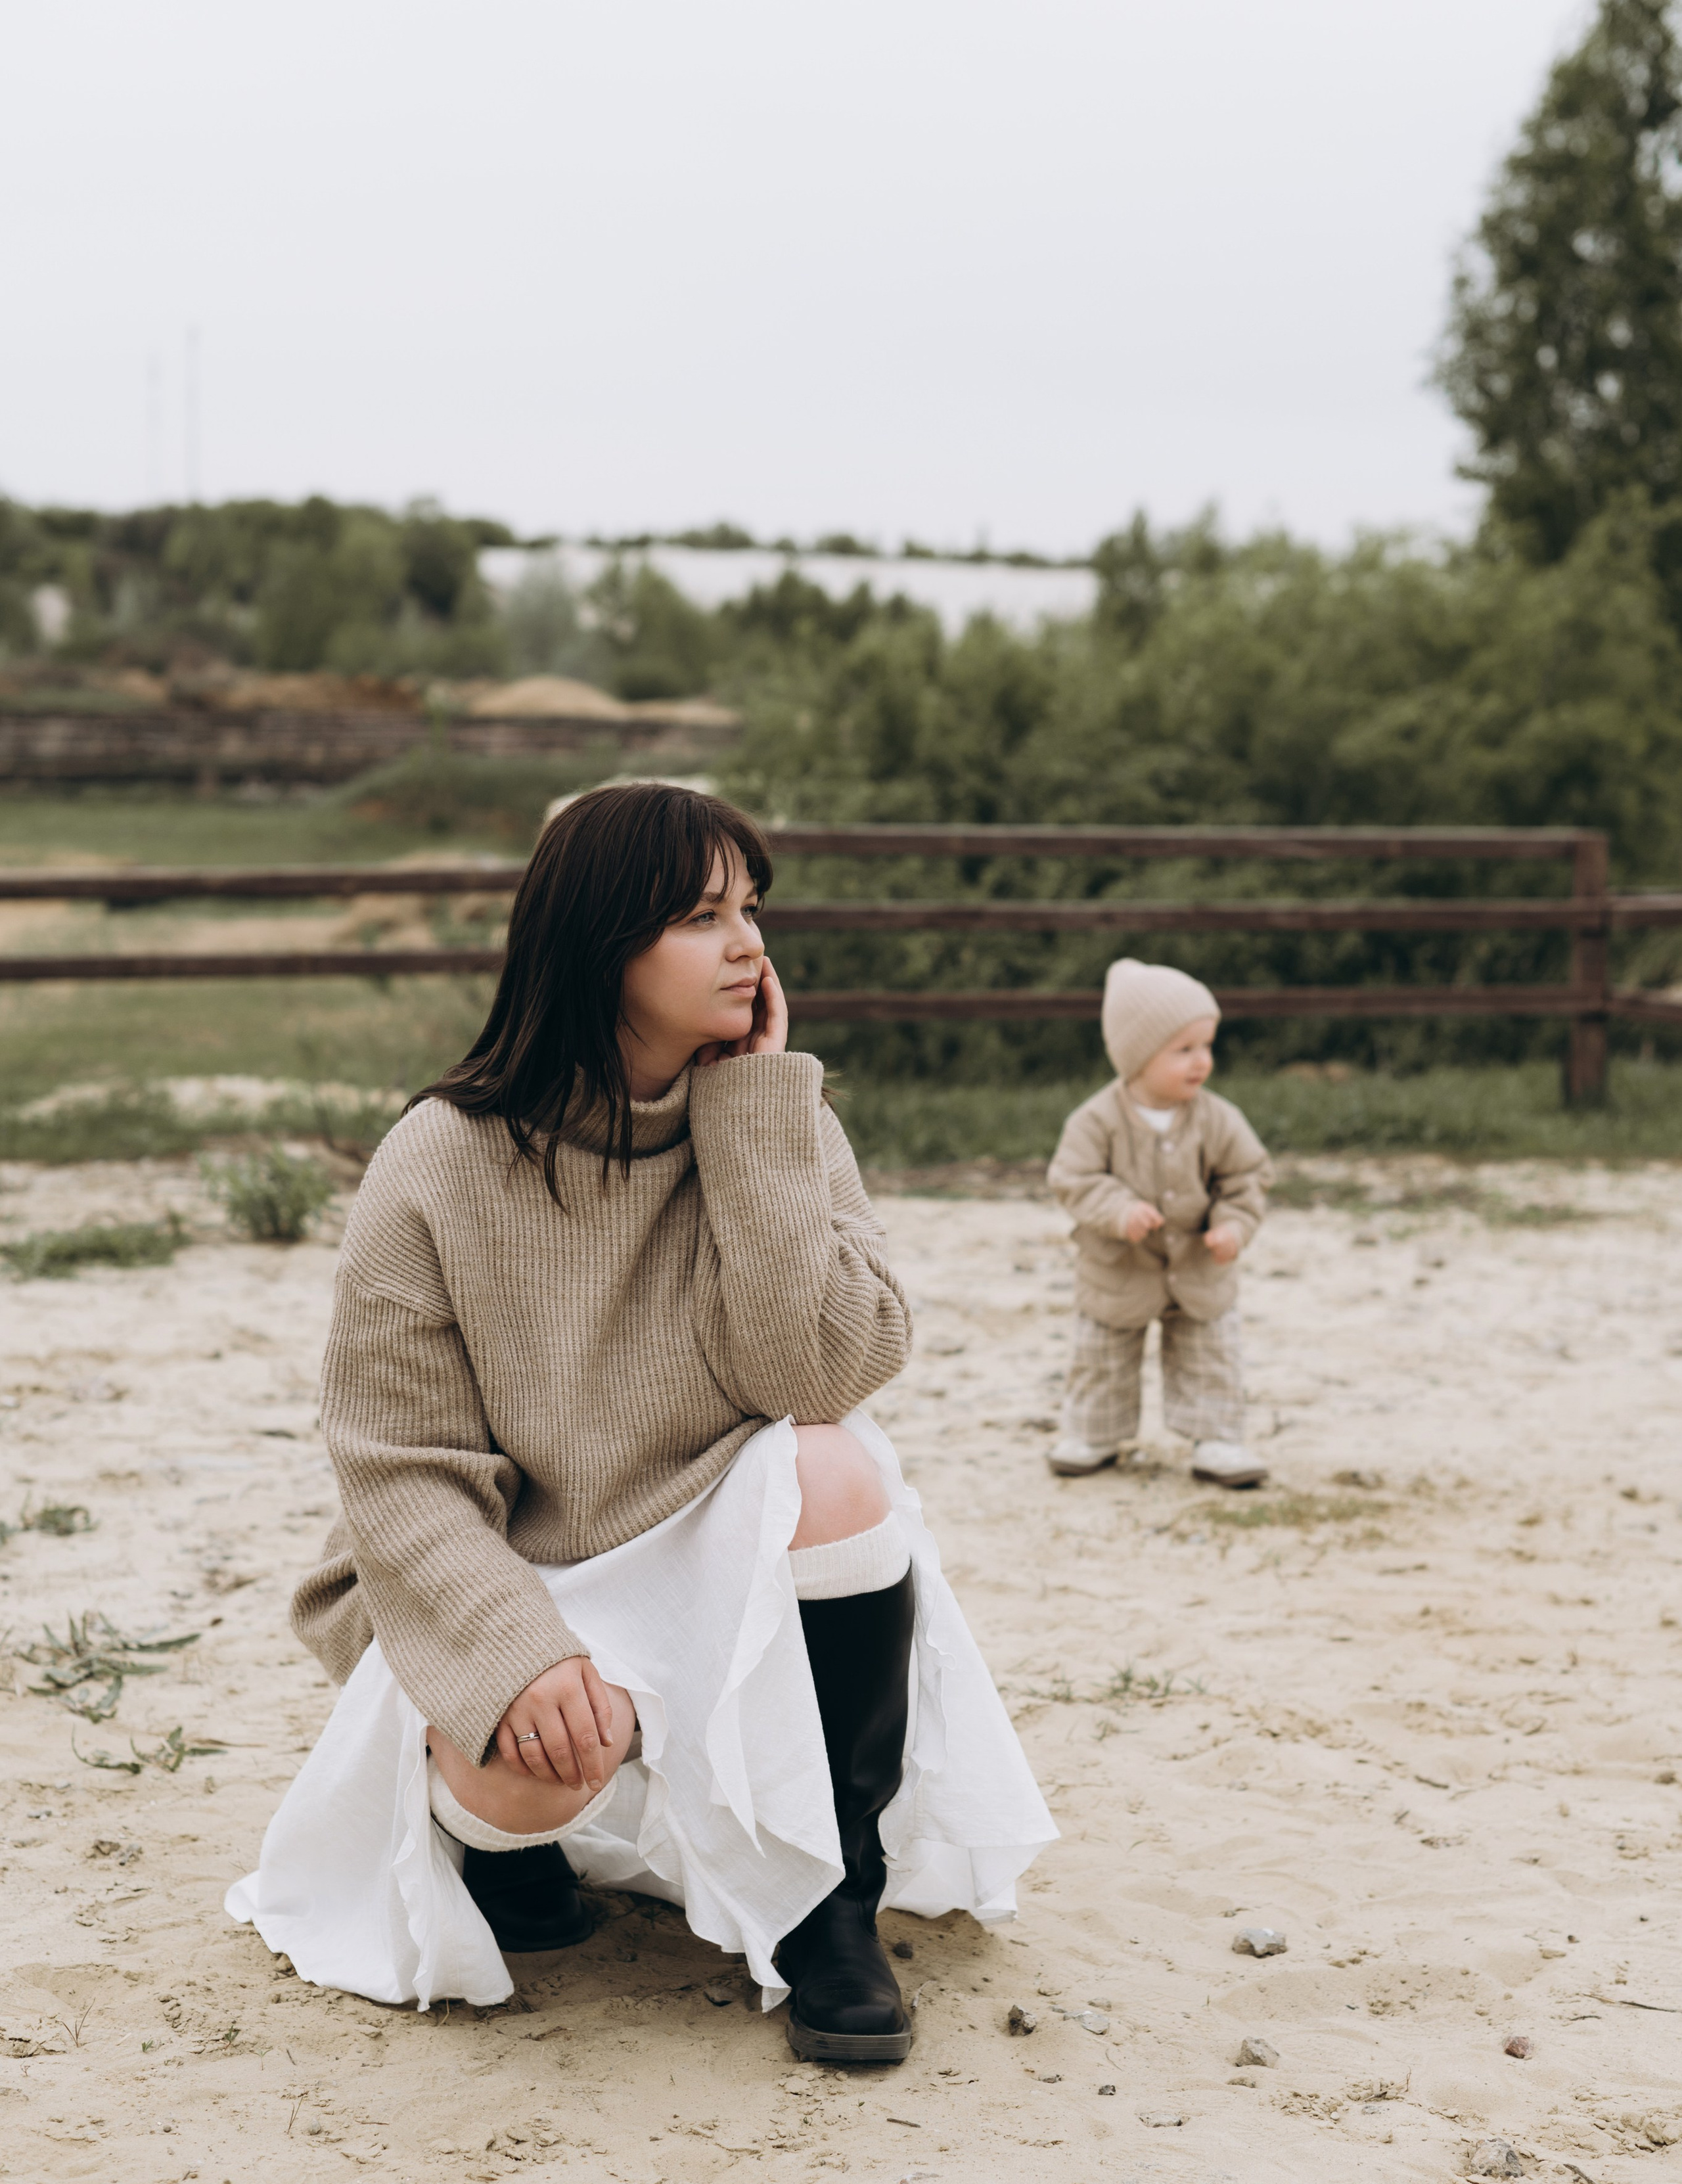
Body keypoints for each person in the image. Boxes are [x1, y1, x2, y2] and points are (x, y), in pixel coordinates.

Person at [227, 782, 1053, 2064]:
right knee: (536, 1771)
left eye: (750, 909)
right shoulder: (439, 1158)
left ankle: (832, 1904)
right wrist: (515, 1652)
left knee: (834, 1473)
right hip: (519, 1560)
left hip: (699, 1532)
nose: (747, 943)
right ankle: (501, 1842)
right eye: (699, 915)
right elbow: (398, 1475)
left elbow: (821, 1371)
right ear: (601, 941)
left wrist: (754, 1124)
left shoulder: (778, 1124)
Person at [1045, 957, 1272, 1488]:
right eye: (1184, 1050)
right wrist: (1117, 1210)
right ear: (1137, 1056)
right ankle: (1094, 1432)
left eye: (1207, 1047)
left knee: (1210, 1350)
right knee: (1103, 1352)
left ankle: (1217, 1437)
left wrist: (1233, 1227)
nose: (1202, 1062)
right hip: (1119, 1268)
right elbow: (1073, 1178)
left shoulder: (1218, 1119)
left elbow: (1246, 1177)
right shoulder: (1096, 1119)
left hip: (1198, 1266)